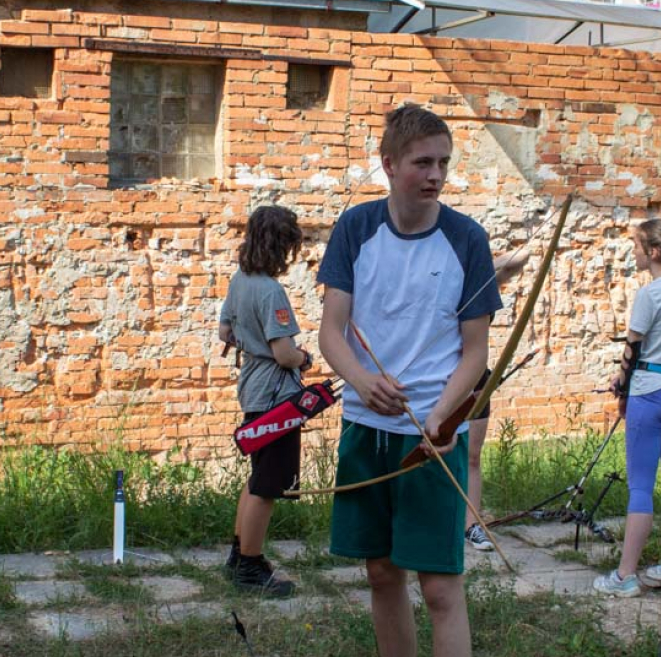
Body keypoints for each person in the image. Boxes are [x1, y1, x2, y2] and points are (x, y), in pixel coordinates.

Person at [318, 104, 501, 657]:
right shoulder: (356, 227)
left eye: (443, 163)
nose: (436, 175)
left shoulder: (467, 239)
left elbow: (475, 354)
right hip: (367, 427)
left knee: (441, 585)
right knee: (380, 571)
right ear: (389, 163)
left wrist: (444, 419)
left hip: (432, 437)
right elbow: (331, 332)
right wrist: (363, 378)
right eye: (423, 162)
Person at [592, 219, 661, 598]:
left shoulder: (650, 294)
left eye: (637, 246)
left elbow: (633, 350)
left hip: (651, 392)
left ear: (653, 252)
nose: (633, 252)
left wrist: (620, 384)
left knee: (641, 486)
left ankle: (624, 576)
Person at [218, 205, 311, 597]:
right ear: (281, 245)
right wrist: (304, 358)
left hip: (253, 389)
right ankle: (250, 569)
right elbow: (284, 354)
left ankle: (240, 557)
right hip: (276, 396)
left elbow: (225, 332)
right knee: (268, 484)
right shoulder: (271, 290)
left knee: (258, 477)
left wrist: (249, 342)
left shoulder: (240, 280)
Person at [462, 247, 530, 552]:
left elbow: (522, 257)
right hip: (440, 378)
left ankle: (471, 525)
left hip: (476, 379)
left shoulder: (480, 284)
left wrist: (482, 268)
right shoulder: (441, 282)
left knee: (472, 456)